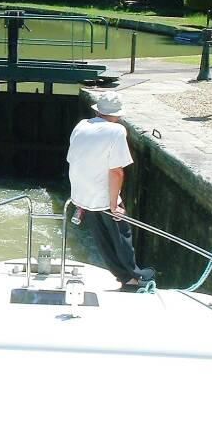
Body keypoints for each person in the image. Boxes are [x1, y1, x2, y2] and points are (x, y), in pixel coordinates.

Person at [66, 91, 155, 291]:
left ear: (98, 111)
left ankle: (124, 276)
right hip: (101, 194)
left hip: (81, 193)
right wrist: (114, 206)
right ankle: (134, 276)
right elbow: (116, 171)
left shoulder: (81, 126)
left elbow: (73, 159)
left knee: (101, 237)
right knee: (121, 233)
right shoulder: (116, 130)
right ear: (116, 114)